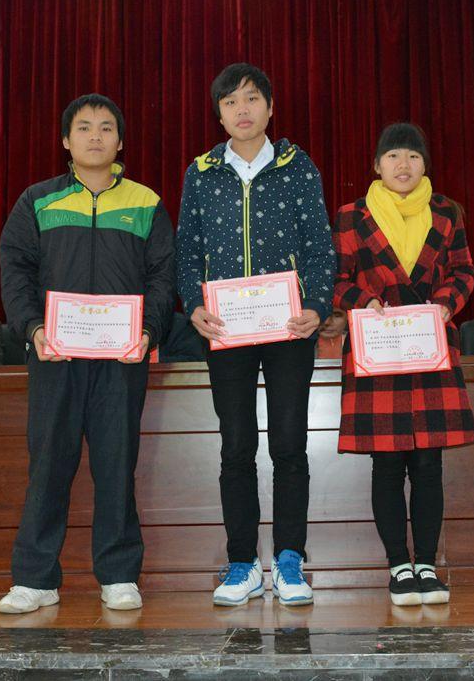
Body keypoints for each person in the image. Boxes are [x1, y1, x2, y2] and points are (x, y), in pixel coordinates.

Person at [0, 93, 175, 614]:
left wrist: (148, 331)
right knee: (48, 464)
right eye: (83, 127)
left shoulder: (146, 202)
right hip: (55, 356)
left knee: (117, 464)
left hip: (122, 359)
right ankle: (35, 579)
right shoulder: (38, 200)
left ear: (120, 142)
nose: (95, 136)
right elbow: (15, 270)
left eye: (105, 128)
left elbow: (163, 277)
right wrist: (33, 329)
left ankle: (119, 574)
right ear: (65, 140)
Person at [176, 63, 335, 606]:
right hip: (225, 330)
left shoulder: (298, 166)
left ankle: (289, 560)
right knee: (236, 447)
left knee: (290, 444)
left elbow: (319, 246)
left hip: (289, 328)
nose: (241, 109)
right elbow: (186, 250)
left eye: (251, 99)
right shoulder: (201, 172)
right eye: (230, 102)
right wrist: (194, 305)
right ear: (219, 115)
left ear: (270, 107)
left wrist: (316, 306)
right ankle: (242, 562)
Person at [332, 122, 474, 607]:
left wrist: (444, 305)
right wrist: (365, 303)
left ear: (424, 165)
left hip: (429, 346)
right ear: (377, 165)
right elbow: (334, 278)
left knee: (430, 465)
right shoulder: (351, 216)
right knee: (388, 464)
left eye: (413, 157)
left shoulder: (446, 213)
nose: (403, 165)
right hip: (378, 349)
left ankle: (427, 565)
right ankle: (398, 565)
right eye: (393, 156)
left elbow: (464, 271)